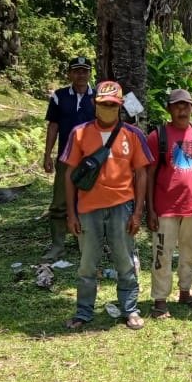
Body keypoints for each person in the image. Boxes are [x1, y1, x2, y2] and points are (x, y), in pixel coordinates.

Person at [62, 80, 153, 330]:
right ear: (95, 103)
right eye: (103, 104)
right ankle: (83, 312)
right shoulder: (79, 133)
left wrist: (137, 213)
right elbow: (69, 175)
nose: (108, 108)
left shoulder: (132, 135)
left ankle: (130, 309)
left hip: (121, 207)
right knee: (87, 264)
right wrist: (71, 213)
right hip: (88, 208)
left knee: (124, 261)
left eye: (112, 105)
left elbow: (141, 174)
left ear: (120, 106)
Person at [145, 89, 192, 319]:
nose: (182, 109)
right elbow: (150, 174)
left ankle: (185, 292)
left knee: (190, 252)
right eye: (177, 105)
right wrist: (150, 209)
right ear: (169, 109)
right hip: (165, 208)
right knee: (162, 254)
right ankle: (160, 300)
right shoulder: (158, 136)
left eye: (186, 105)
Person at [41, 56, 95, 261]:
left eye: (85, 70)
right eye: (77, 71)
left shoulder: (98, 97)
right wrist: (47, 155)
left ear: (90, 73)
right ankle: (57, 245)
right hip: (66, 157)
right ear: (70, 74)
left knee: (90, 201)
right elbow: (53, 126)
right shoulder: (59, 96)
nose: (81, 74)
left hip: (92, 160)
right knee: (60, 202)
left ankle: (87, 243)